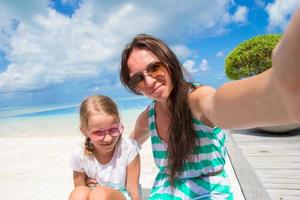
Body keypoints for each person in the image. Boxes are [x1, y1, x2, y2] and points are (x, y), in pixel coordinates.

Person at [119, 7, 300, 199]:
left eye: (154, 67)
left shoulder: (196, 99)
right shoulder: (148, 118)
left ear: (169, 62)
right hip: (166, 190)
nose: (149, 81)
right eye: (137, 79)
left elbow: (219, 105)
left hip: (210, 190)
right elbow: (126, 150)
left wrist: (281, 86)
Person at [68, 95, 141, 200]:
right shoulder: (79, 155)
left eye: (113, 129)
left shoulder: (128, 148)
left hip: (123, 195)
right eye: (98, 132)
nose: (108, 139)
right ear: (84, 131)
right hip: (95, 194)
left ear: (119, 123)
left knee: (100, 194)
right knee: (79, 193)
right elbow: (80, 187)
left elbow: (133, 191)